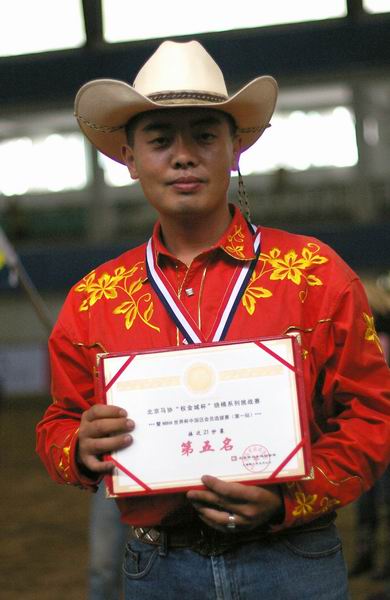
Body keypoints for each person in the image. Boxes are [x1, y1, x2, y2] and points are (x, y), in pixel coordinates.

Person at [36, 40, 390, 599]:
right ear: (129, 158)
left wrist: (289, 500)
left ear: (235, 149)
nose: (183, 156)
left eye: (205, 136)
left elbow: (374, 412)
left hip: (294, 560)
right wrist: (79, 448)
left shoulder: (316, 275)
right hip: (159, 567)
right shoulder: (95, 299)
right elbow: (58, 422)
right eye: (159, 140)